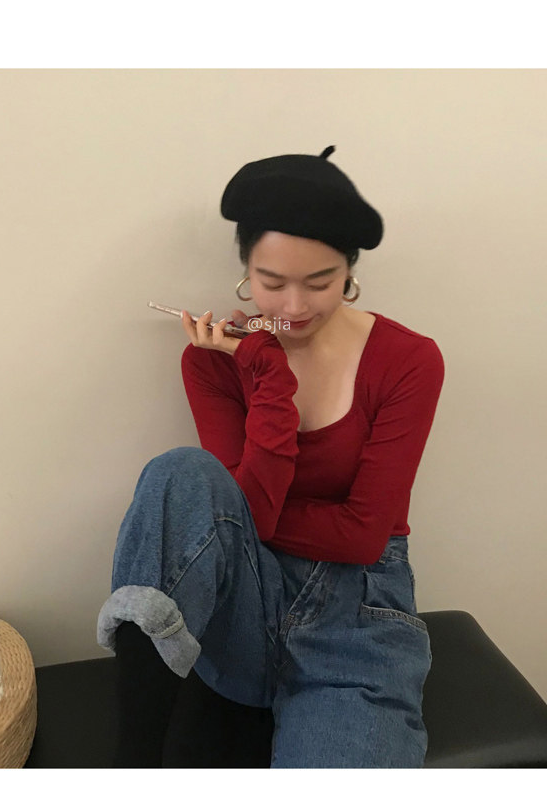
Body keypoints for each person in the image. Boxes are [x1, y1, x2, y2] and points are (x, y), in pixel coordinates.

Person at [97, 146, 445, 768]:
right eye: (272, 283)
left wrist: (266, 377)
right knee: (181, 473)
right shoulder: (213, 361)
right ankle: (130, 769)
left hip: (356, 618)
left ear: (350, 271)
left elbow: (362, 535)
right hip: (245, 603)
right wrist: (265, 372)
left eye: (320, 283)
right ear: (245, 272)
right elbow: (240, 507)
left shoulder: (409, 361)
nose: (293, 308)